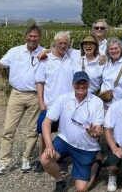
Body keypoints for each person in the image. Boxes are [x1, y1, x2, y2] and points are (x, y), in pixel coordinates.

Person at [0, 24, 44, 177]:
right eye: (30, 36)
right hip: (16, 94)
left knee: (32, 131)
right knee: (8, 130)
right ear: (25, 37)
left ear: (39, 38)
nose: (32, 38)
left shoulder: (44, 53)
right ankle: (4, 162)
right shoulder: (14, 51)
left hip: (36, 95)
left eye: (35, 36)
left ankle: (26, 159)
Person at [40, 71, 104, 192]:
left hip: (86, 146)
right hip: (65, 140)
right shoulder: (63, 98)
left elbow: (98, 130)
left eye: (84, 83)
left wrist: (94, 133)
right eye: (78, 83)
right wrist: (49, 145)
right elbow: (46, 123)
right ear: (73, 84)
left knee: (81, 189)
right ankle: (60, 180)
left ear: (89, 84)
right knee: (45, 158)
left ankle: (97, 163)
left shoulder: (97, 102)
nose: (81, 86)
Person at [35, 31, 82, 171]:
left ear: (69, 44)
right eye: (60, 43)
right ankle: (42, 159)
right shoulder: (45, 60)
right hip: (50, 105)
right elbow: (39, 82)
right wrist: (41, 102)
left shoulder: (72, 59)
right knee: (44, 134)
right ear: (55, 43)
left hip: (68, 105)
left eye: (65, 43)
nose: (62, 46)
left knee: (65, 133)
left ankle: (59, 157)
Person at [99, 38, 122, 108]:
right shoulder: (106, 63)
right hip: (105, 104)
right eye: (111, 49)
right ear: (108, 51)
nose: (114, 51)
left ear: (121, 49)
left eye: (116, 48)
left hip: (121, 104)